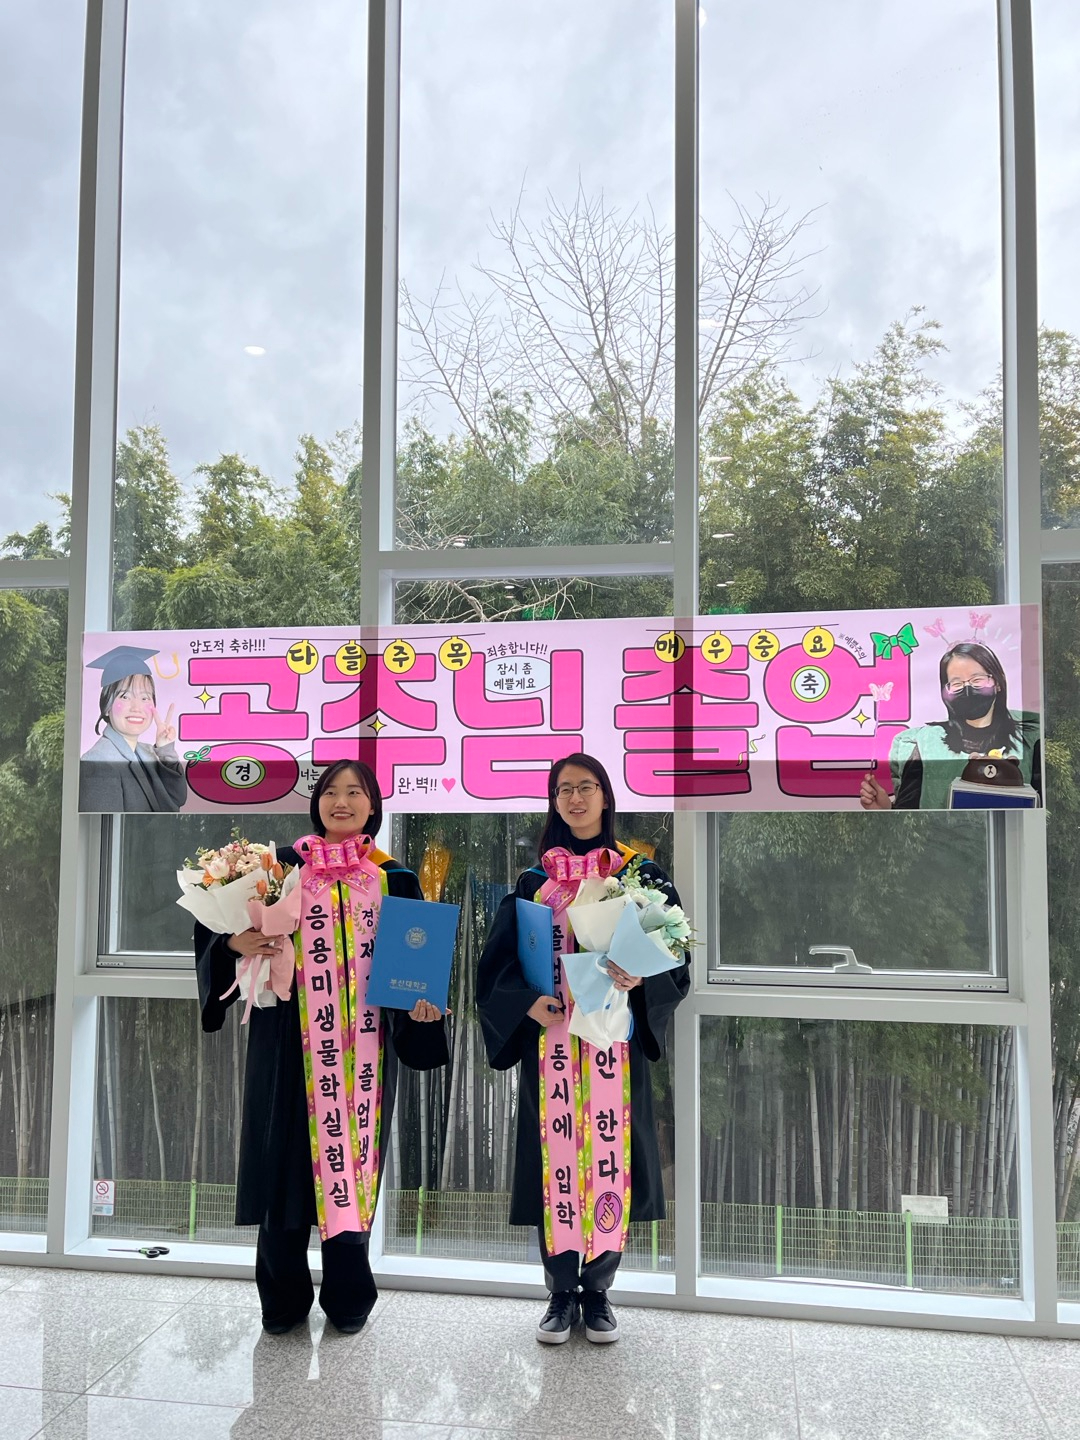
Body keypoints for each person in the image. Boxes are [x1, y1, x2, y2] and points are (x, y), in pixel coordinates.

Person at [195, 760, 448, 1335]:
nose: (341, 801)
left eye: (355, 792)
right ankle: (282, 1298)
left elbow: (416, 967)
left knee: (350, 1166)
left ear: (373, 806)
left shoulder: (394, 879)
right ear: (316, 804)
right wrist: (234, 942)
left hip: (363, 1051)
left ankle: (349, 1295)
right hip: (288, 1043)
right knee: (282, 1161)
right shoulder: (280, 868)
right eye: (331, 791)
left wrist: (423, 1010)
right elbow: (218, 932)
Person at [477, 753, 689, 1346]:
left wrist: (642, 976)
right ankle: (558, 1292)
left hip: (612, 1045)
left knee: (608, 1159)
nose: (575, 798)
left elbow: (676, 959)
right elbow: (495, 967)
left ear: (605, 796)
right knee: (556, 1161)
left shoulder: (639, 875)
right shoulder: (533, 883)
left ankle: (598, 1293)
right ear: (553, 801)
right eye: (564, 789)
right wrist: (526, 1003)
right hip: (551, 1046)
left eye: (586, 787)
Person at [859, 642, 1041, 810]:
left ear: (998, 683)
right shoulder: (923, 743)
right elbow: (909, 816)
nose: (968, 689)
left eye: (977, 679)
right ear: (945, 692)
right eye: (956, 683)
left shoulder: (1033, 735)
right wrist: (885, 810)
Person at [79, 644, 187, 812]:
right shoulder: (98, 763)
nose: (137, 707)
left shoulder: (147, 752)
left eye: (145, 698)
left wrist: (165, 749)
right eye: (125, 696)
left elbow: (177, 798)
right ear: (107, 706)